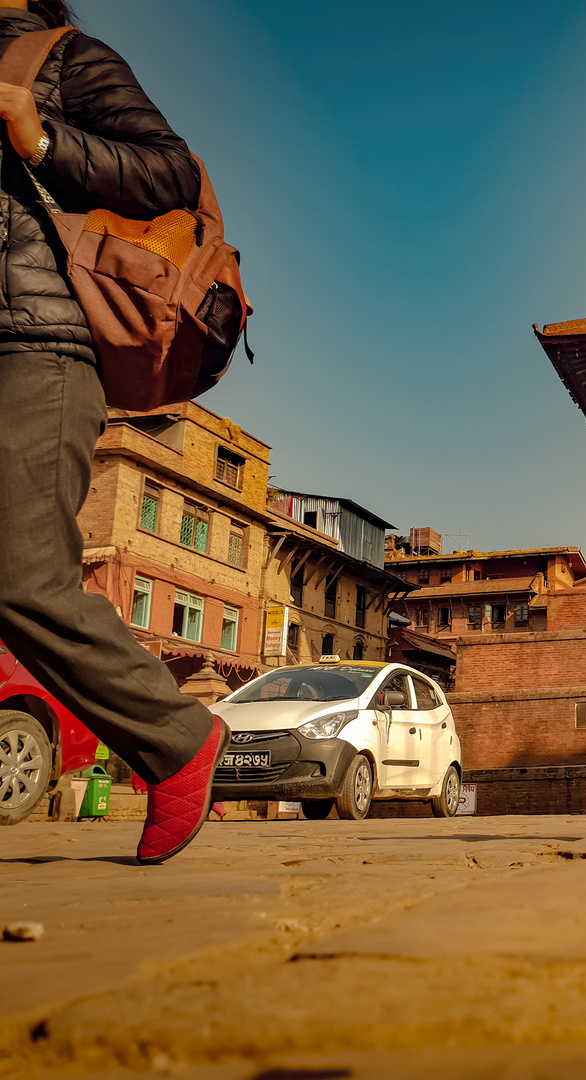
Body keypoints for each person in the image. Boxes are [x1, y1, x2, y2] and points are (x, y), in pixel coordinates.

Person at [0, 1, 229, 863]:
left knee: (23, 579)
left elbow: (171, 174)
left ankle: (175, 737)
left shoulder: (58, 56)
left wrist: (43, 140)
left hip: (33, 341)